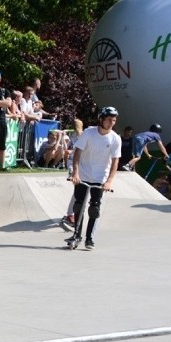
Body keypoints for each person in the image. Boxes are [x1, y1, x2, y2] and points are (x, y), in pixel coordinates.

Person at [66, 106, 121, 250]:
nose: (111, 123)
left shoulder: (115, 138)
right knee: (78, 205)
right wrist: (75, 173)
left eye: (114, 120)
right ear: (101, 119)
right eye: (109, 119)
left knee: (94, 208)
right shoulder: (89, 133)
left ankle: (89, 238)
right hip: (83, 174)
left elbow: (115, 161)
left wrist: (109, 181)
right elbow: (77, 153)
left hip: (100, 176)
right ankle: (77, 234)